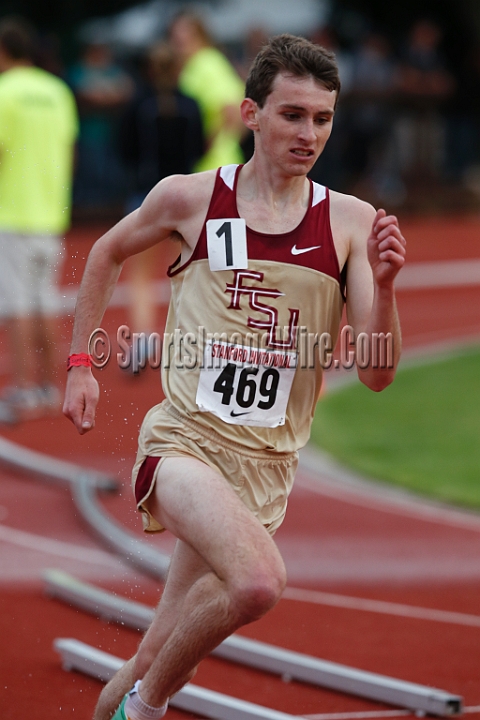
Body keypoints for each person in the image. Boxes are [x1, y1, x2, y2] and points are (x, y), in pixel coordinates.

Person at [63, 34, 406, 720]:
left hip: (264, 470)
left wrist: (388, 286)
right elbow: (104, 253)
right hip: (183, 445)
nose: (309, 133)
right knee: (256, 583)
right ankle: (147, 707)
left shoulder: (350, 224)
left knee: (152, 653)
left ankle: (135, 695)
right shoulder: (190, 198)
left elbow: (374, 374)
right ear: (251, 113)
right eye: (292, 115)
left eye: (322, 119)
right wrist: (81, 367)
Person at [0, 18, 78, 419]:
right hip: (51, 211)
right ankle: (48, 388)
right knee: (45, 299)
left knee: (16, 302)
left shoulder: (5, 92)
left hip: (13, 211)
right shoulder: (57, 91)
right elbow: (69, 148)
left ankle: (23, 390)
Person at [120, 41, 204, 350]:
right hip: (185, 200)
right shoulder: (190, 105)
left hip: (146, 197)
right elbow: (198, 149)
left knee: (140, 274)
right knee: (181, 273)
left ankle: (142, 343)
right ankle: (182, 342)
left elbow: (125, 150)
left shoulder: (139, 104)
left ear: (150, 70)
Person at [168, 11, 245, 171]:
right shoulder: (193, 65)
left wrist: (207, 146)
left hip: (215, 166)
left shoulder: (207, 62)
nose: (178, 45)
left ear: (200, 36)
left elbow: (232, 109)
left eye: (184, 38)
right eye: (174, 39)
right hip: (207, 166)